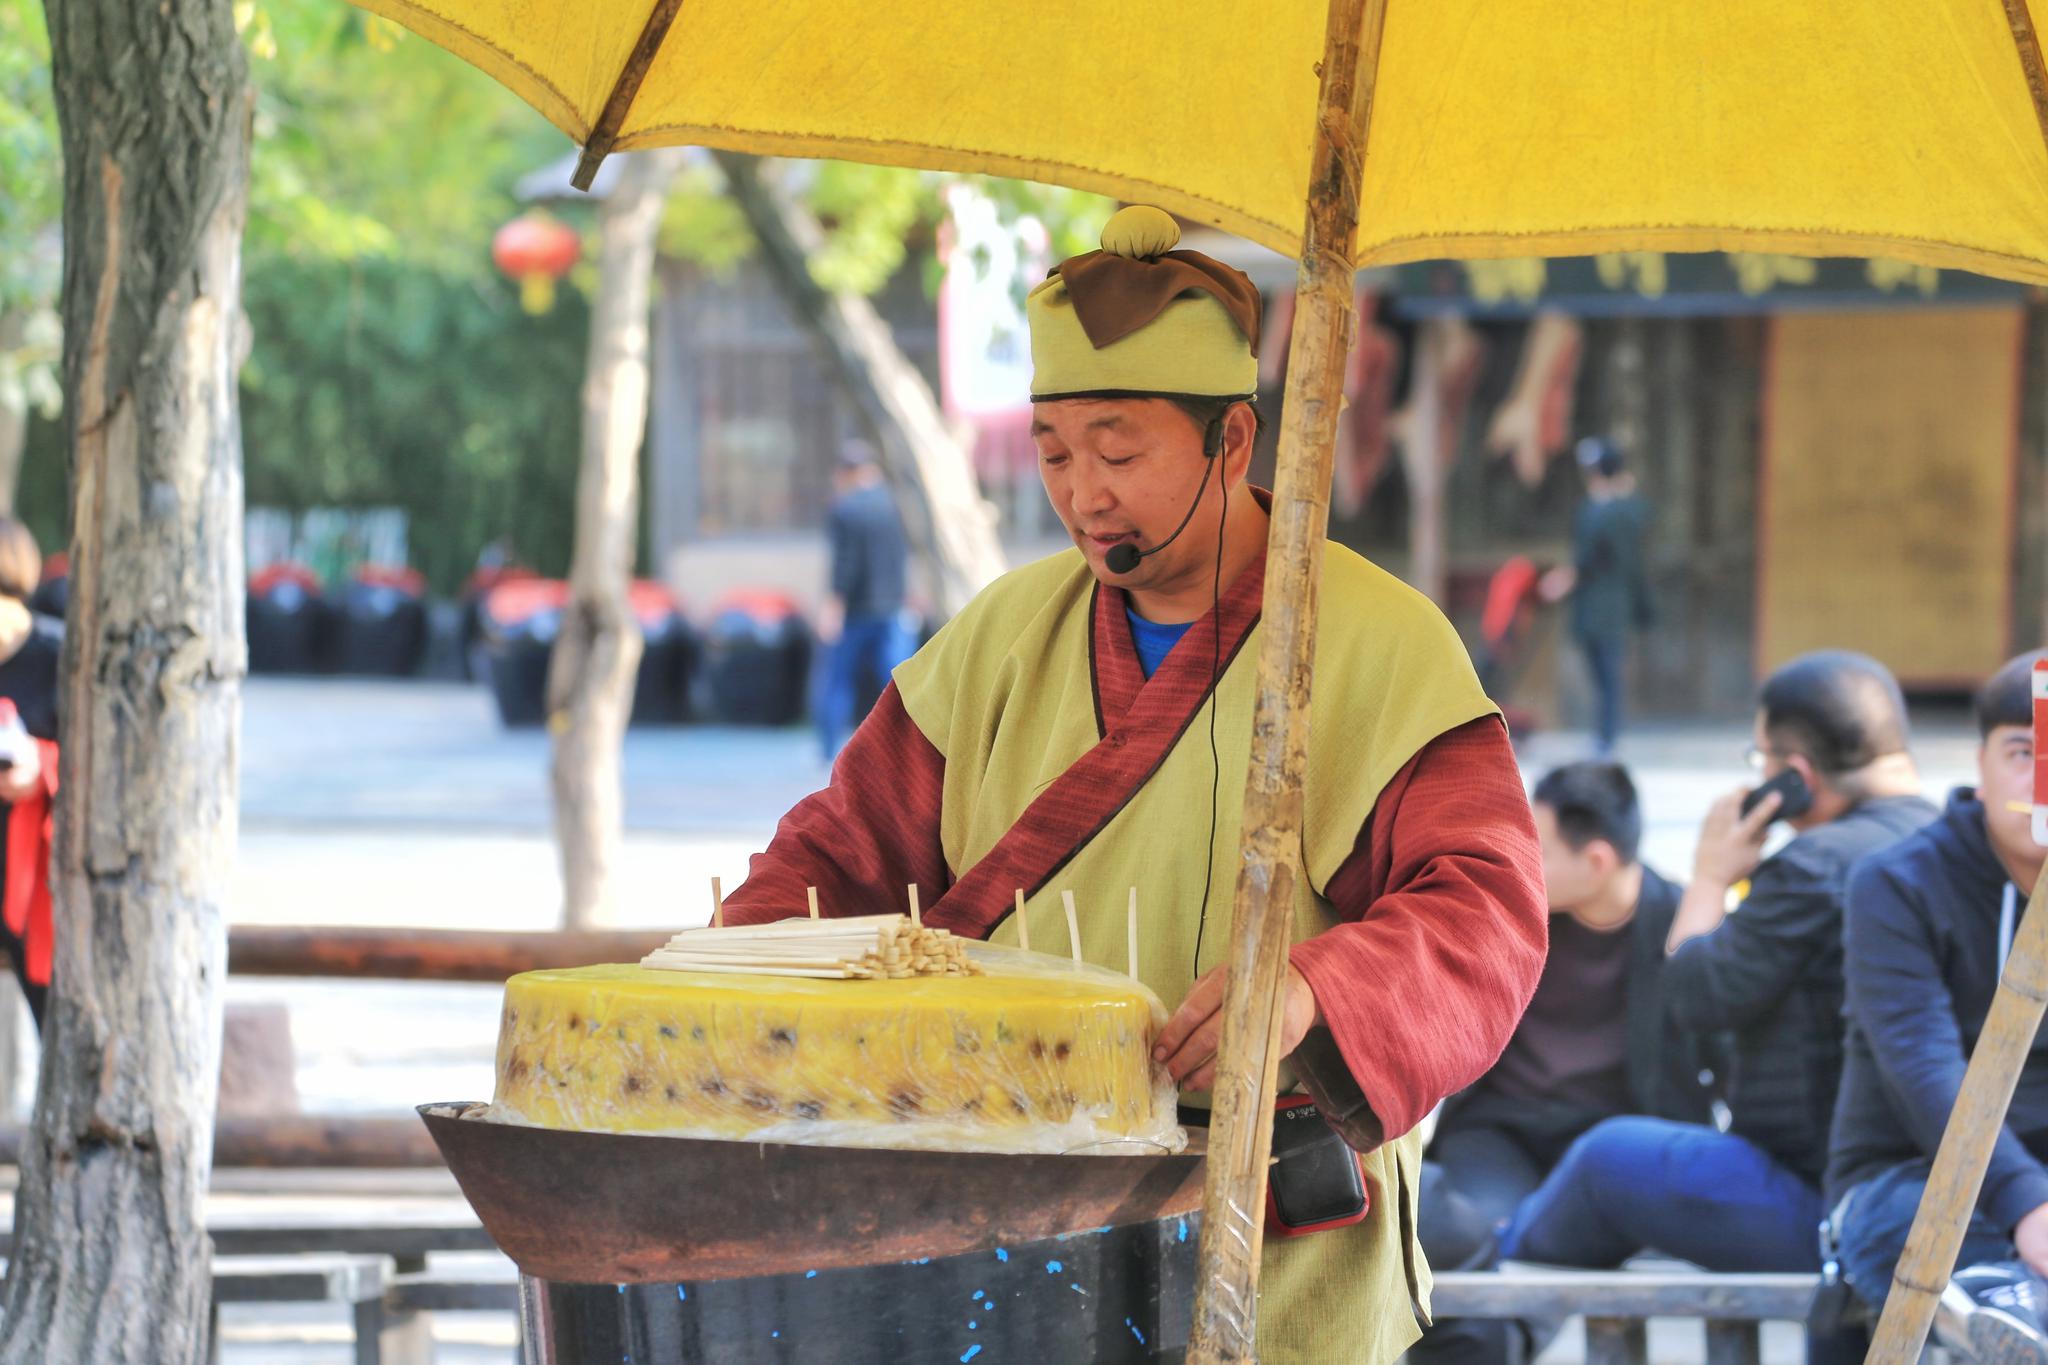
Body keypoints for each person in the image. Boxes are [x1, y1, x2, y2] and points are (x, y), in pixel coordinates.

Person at [721, 205, 1548, 1363]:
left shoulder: (1377, 643)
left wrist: (1311, 994)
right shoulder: (1001, 635)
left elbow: (1486, 910)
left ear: (1232, 444)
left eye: (1118, 452)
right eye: (1054, 452)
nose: (1081, 493)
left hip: (1267, 1224)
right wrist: (732, 976)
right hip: (1001, 1213)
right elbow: (837, 854)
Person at [1498, 650, 1935, 1277]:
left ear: (1796, 776)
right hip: (1919, 1198)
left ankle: (1480, 1309)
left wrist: (1710, 875)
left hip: (1828, 1203)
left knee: (1607, 1159)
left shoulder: (1814, 867)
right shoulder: (1940, 849)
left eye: (1762, 761)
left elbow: (1695, 997)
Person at [1410, 762, 1720, 1365]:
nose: (1520, 858)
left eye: (1539, 847)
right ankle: (1504, 1342)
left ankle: (1513, 1340)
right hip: (1503, 1129)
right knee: (1476, 1239)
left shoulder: (1680, 925)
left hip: (1618, 1138)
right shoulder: (1507, 914)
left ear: (1598, 861)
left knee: (1542, 1246)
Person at [1826, 650, 2048, 1360]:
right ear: (1978, 762)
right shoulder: (1897, 882)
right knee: (1918, 1221)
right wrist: (2028, 1202)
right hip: (1910, 1173)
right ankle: (2003, 1301)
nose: (2040, 779)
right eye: (2022, 751)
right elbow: (1924, 1064)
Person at [1541, 437, 1653, 756]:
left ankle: (1607, 736)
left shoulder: (1612, 511)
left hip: (1605, 604)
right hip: (1603, 604)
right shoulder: (1618, 509)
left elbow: (1591, 556)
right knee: (1603, 672)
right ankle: (1605, 734)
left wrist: (1566, 578)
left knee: (1607, 673)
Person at [815, 438, 913, 761]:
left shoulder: (845, 510)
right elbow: (905, 555)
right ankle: (909, 751)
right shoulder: (896, 505)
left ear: (848, 472)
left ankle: (829, 750)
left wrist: (833, 606)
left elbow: (845, 563)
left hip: (856, 612)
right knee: (901, 686)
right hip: (893, 607)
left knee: (837, 682)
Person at [0, 517, 60, 1029]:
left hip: (34, 873)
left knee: (55, 1023)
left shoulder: (59, 656)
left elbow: (96, 761)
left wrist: (40, 767)